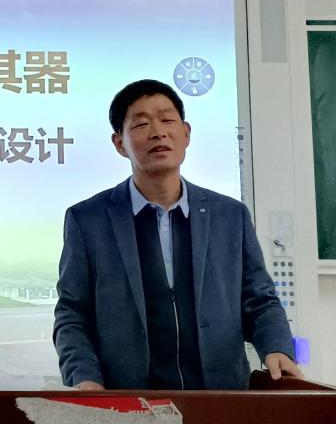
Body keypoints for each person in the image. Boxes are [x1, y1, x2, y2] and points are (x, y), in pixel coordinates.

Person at [53, 79, 301, 390]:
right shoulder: (89, 220)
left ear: (186, 133)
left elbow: (260, 300)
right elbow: (72, 314)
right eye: (141, 124)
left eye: (167, 120)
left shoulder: (229, 216)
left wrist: (276, 347)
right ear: (119, 143)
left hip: (221, 397)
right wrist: (85, 378)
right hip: (127, 400)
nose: (158, 132)